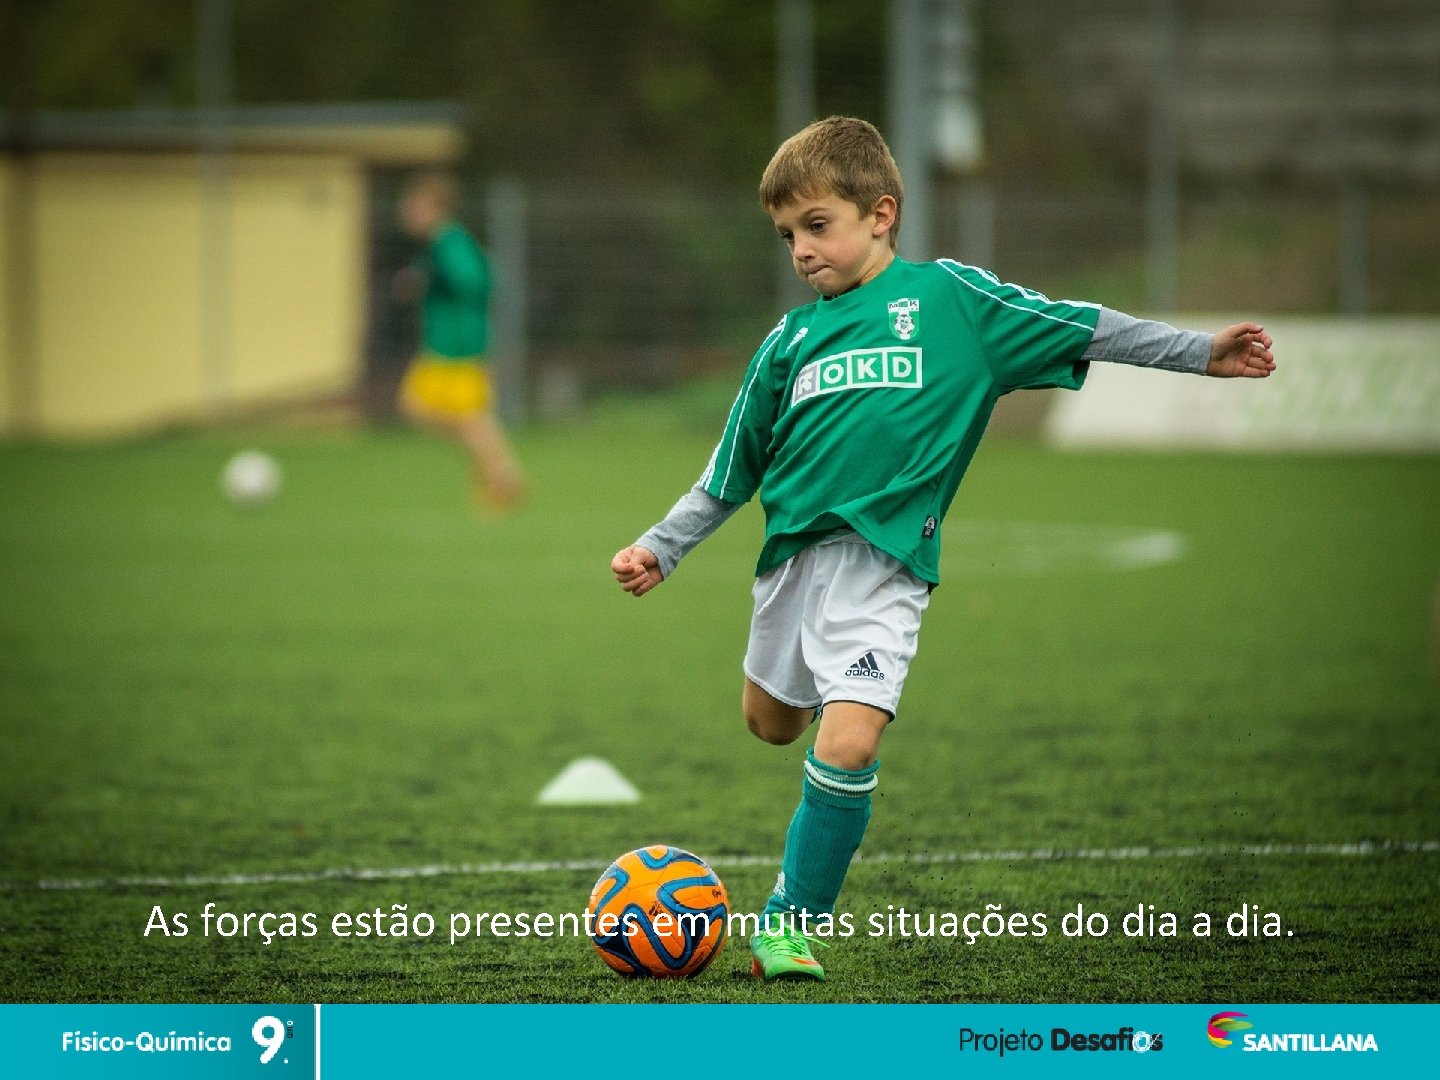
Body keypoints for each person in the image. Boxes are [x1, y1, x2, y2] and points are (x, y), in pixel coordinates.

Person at [610, 117, 1275, 982]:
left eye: (818, 225)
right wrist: (663, 548)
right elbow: (730, 470)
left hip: (886, 570)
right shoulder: (788, 343)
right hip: (791, 570)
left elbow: (1082, 325)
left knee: (847, 746)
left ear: (881, 213)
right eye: (786, 236)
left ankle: (788, 922)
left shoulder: (954, 303)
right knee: (771, 724)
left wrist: (1198, 352)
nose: (802, 250)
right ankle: (829, 708)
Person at [396, 170, 525, 510]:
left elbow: (477, 279)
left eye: (416, 204)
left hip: (458, 345)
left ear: (436, 207)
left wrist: (435, 278)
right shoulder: (440, 244)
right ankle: (497, 471)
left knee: (460, 416)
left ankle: (501, 476)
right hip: (445, 344)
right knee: (429, 411)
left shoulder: (448, 241)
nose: (408, 210)